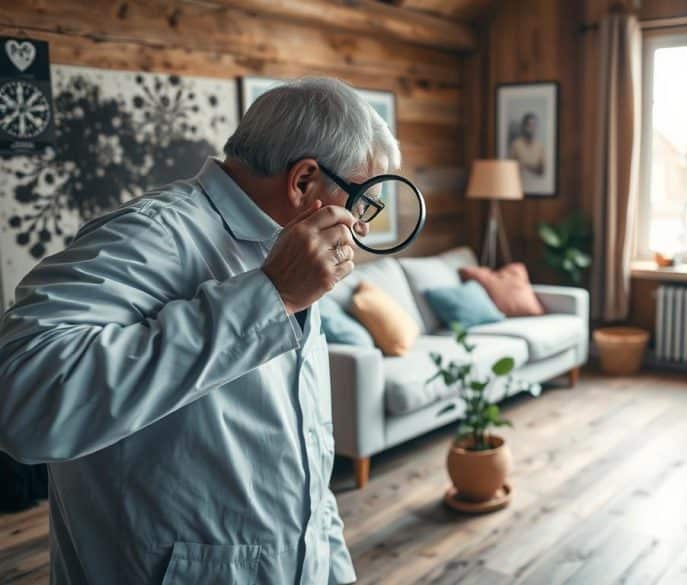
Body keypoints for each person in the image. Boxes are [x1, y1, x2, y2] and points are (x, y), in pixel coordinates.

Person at [0, 78, 398, 584]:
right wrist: (269, 297)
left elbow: (308, 457)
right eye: (361, 201)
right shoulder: (148, 234)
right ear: (303, 183)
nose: (359, 227)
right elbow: (24, 400)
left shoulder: (291, 254)